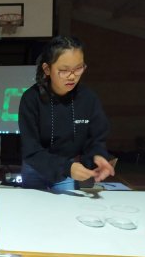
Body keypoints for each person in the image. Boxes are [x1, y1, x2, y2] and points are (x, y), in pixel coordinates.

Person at [18, 35, 115, 191]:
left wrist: (98, 155)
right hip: (35, 168)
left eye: (78, 68)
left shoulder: (88, 98)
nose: (72, 76)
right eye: (63, 71)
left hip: (68, 168)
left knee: (64, 212)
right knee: (32, 211)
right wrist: (67, 167)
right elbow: (31, 149)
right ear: (47, 69)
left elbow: (96, 138)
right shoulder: (31, 99)